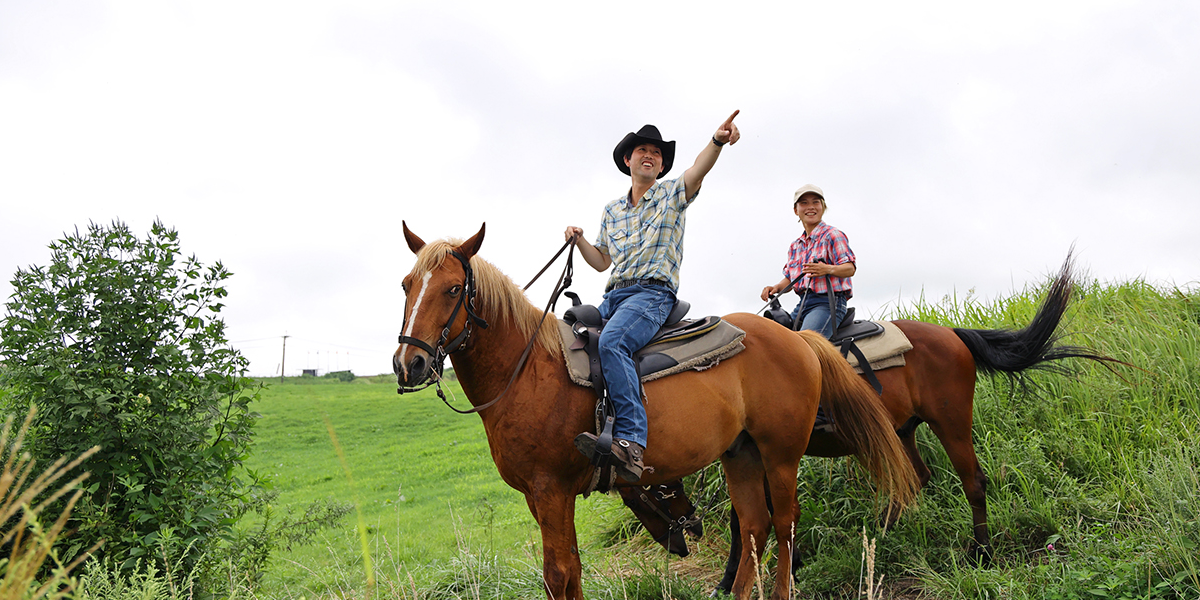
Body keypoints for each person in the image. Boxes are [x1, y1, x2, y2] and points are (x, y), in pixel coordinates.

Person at [564, 111, 741, 482]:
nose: (649, 155)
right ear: (627, 160)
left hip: (653, 295)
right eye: (642, 150)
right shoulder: (611, 211)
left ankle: (630, 443)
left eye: (656, 153)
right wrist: (579, 241)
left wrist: (717, 142)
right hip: (614, 296)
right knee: (568, 336)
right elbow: (601, 262)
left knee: (613, 343)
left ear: (661, 165)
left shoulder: (672, 192)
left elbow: (698, 170)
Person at [759, 184, 856, 339]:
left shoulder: (833, 235)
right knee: (780, 343)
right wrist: (776, 287)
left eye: (815, 202)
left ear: (823, 207)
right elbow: (790, 278)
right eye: (804, 203)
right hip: (804, 303)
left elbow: (849, 268)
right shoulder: (795, 245)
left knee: (805, 345)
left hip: (828, 303)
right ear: (796, 210)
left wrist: (828, 269)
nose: (810, 207)